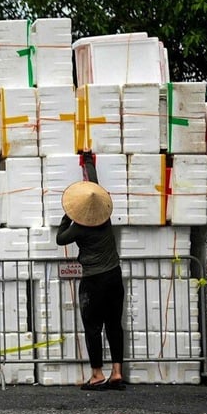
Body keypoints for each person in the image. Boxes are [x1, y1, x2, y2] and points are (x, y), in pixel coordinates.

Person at [56, 150, 125, 391]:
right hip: (114, 276)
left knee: (93, 327)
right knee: (115, 324)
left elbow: (60, 239)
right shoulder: (104, 217)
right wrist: (88, 161)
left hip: (93, 280)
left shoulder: (78, 228)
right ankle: (117, 372)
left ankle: (97, 374)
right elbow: (94, 187)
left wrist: (68, 215)